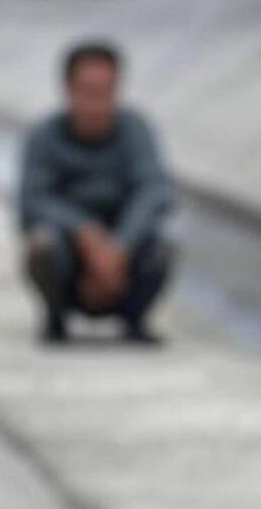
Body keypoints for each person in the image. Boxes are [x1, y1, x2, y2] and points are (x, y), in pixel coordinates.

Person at [18, 41, 176, 344]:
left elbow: (155, 191)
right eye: (87, 92)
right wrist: (85, 233)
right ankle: (56, 318)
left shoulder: (135, 130)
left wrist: (119, 247)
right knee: (42, 244)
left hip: (123, 265)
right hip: (70, 263)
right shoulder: (45, 136)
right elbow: (32, 200)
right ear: (68, 89)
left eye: (105, 92)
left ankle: (135, 319)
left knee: (163, 246)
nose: (96, 104)